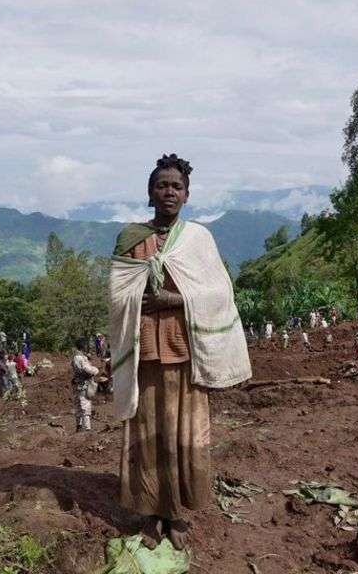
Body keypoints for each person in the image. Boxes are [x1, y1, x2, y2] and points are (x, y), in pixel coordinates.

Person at [108, 154, 252, 550]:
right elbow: (118, 294)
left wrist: (173, 298)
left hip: (184, 351)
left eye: (176, 186)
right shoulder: (130, 239)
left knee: (184, 435)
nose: (168, 192)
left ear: (186, 195)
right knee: (148, 434)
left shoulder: (198, 239)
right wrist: (140, 299)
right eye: (161, 185)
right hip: (144, 352)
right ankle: (150, 511)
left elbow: (220, 292)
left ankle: (176, 512)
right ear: (150, 192)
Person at [70, 339, 99, 432]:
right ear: (83, 346)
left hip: (77, 383)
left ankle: (79, 426)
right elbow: (87, 370)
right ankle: (87, 428)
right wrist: (95, 370)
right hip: (83, 384)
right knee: (85, 405)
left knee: (78, 405)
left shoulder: (76, 357)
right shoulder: (80, 358)